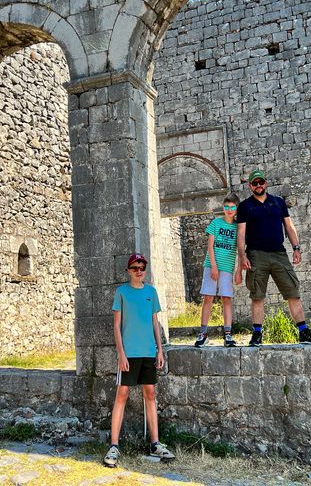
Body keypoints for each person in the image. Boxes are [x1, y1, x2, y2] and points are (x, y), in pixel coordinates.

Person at [103, 253, 176, 468]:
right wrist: (121, 354)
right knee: (122, 394)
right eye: (135, 267)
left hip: (148, 352)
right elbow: (116, 326)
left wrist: (160, 350)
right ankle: (114, 446)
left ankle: (155, 443)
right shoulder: (122, 292)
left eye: (142, 267)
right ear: (128, 270)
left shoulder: (151, 292)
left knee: (150, 394)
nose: (139, 271)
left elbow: (155, 323)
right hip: (129, 353)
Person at [236, 170, 311, 347]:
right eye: (255, 183)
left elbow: (289, 226)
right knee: (257, 296)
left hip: (279, 253)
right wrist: (242, 255)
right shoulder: (245, 206)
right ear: (250, 186)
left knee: (293, 292)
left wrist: (296, 248)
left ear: (265, 183)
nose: (258, 185)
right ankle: (257, 334)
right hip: (256, 254)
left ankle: (303, 331)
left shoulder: (278, 202)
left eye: (261, 182)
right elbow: (241, 233)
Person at [194, 193, 242, 348]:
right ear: (223, 207)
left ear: (236, 208)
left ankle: (228, 334)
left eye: (232, 207)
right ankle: (203, 333)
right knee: (208, 297)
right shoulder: (216, 223)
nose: (229, 209)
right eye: (226, 207)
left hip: (227, 267)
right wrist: (214, 266)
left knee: (226, 299)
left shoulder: (238, 227)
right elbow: (210, 246)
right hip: (211, 266)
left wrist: (238, 269)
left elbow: (240, 249)